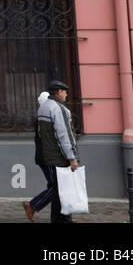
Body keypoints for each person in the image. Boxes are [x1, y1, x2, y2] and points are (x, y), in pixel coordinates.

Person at [25, 80, 79, 223]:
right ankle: (37, 207)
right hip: (56, 157)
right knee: (58, 189)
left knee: (58, 189)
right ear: (59, 92)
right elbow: (64, 135)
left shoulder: (43, 109)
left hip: (48, 156)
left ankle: (64, 218)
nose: (67, 94)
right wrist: (72, 157)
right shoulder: (59, 109)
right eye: (65, 92)